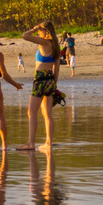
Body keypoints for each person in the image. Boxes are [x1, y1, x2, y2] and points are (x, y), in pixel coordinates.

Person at [17, 22, 59, 151]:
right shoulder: (55, 45)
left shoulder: (44, 42)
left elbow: (24, 36)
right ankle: (48, 143)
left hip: (40, 78)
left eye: (40, 29)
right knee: (47, 114)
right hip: (50, 79)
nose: (38, 31)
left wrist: (33, 29)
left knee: (31, 111)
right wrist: (54, 86)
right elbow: (56, 69)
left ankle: (31, 143)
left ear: (45, 30)